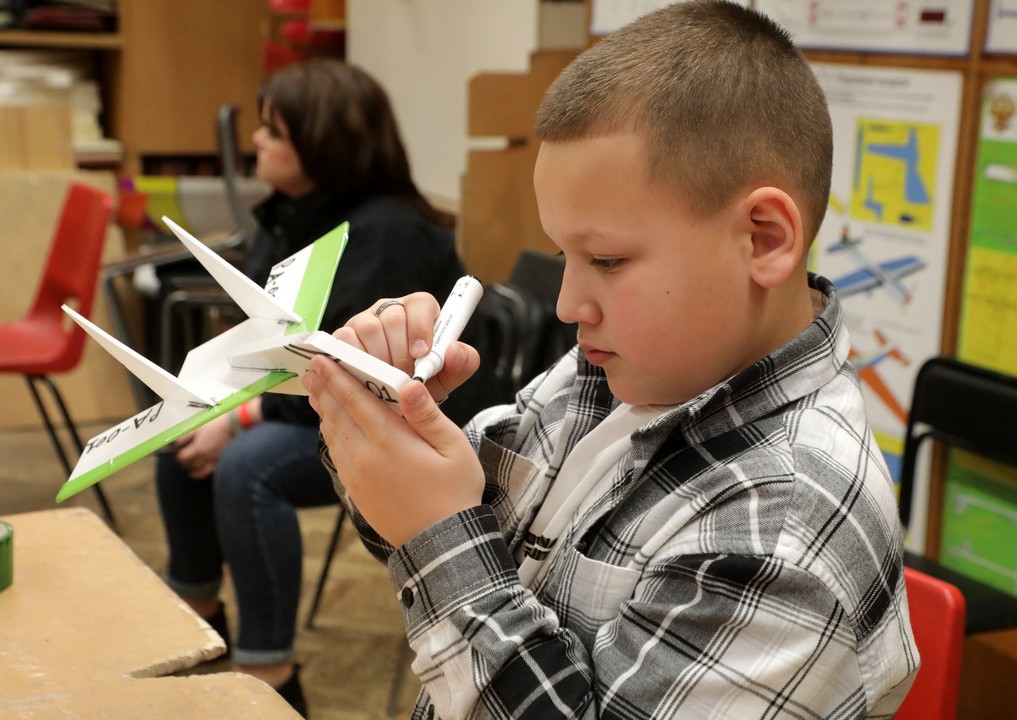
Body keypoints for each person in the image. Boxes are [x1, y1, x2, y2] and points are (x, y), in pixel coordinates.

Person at [303, 2, 920, 718]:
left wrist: (436, 531)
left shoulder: (783, 529)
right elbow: (441, 535)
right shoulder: (613, 373)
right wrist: (382, 422)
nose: (568, 305)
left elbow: (447, 547)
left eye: (606, 260)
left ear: (763, 239)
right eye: (565, 255)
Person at [154, 59, 471, 716]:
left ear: (323, 142)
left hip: (391, 421)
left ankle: (268, 671)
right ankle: (195, 619)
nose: (257, 141)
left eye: (274, 131)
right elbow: (263, 344)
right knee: (175, 435)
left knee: (248, 467)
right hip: (311, 406)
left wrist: (237, 420)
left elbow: (350, 375)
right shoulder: (292, 214)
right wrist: (217, 406)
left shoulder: (386, 232)